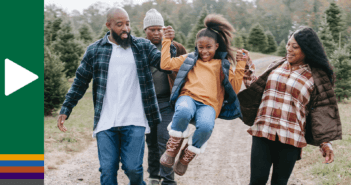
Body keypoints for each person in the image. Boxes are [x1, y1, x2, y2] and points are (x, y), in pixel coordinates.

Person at [56, 7, 176, 185]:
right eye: (119, 25)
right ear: (108, 25)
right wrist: (66, 108)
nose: (125, 28)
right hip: (106, 121)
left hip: (134, 120)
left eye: (127, 24)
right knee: (107, 170)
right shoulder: (95, 50)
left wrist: (168, 43)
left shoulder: (142, 46)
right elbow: (80, 82)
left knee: (133, 169)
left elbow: (165, 65)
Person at [237, 27, 342, 185]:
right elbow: (258, 89)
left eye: (295, 47)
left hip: (290, 138)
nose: (289, 49)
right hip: (263, 131)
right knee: (257, 180)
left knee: (279, 182)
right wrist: (248, 65)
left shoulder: (314, 77)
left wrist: (325, 143)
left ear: (306, 50)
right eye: (288, 44)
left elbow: (320, 112)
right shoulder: (276, 66)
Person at [159, 14, 248, 176]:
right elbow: (165, 64)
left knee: (206, 126)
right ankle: (172, 148)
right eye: (201, 47)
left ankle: (186, 157)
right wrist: (167, 41)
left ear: (216, 46)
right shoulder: (189, 59)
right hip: (188, 98)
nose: (204, 51)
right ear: (196, 46)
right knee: (184, 110)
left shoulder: (222, 65)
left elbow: (234, 89)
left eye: (209, 47)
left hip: (209, 105)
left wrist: (240, 64)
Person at [143, 9, 187, 185]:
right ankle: (154, 176)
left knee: (165, 141)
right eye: (152, 29)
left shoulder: (176, 47)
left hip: (167, 103)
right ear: (145, 30)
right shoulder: (140, 48)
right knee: (151, 142)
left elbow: (187, 70)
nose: (156, 33)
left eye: (159, 29)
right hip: (146, 104)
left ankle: (168, 181)